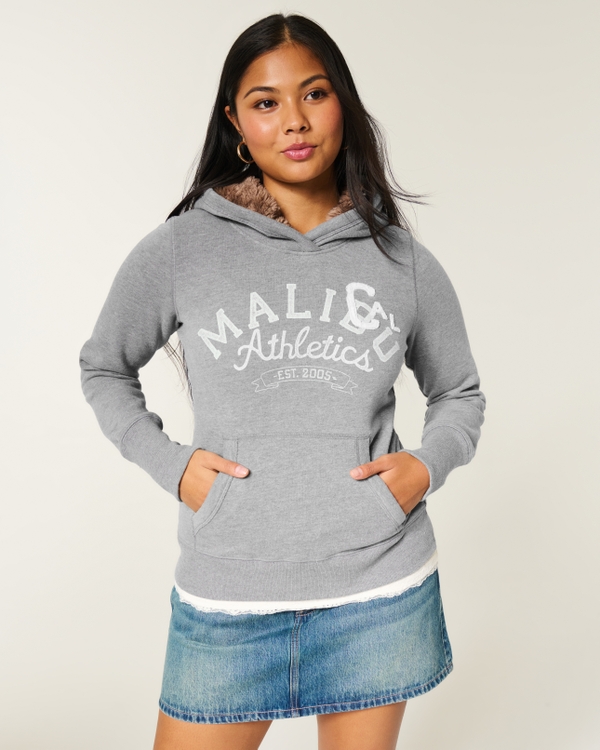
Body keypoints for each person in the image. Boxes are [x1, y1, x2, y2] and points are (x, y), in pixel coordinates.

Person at [79, 11, 486, 750]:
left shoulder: (402, 261)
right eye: (265, 102)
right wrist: (174, 469)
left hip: (379, 591)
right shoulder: (182, 250)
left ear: (343, 106)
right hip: (229, 594)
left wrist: (426, 467)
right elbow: (104, 366)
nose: (294, 120)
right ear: (235, 122)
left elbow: (458, 391)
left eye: (314, 93)